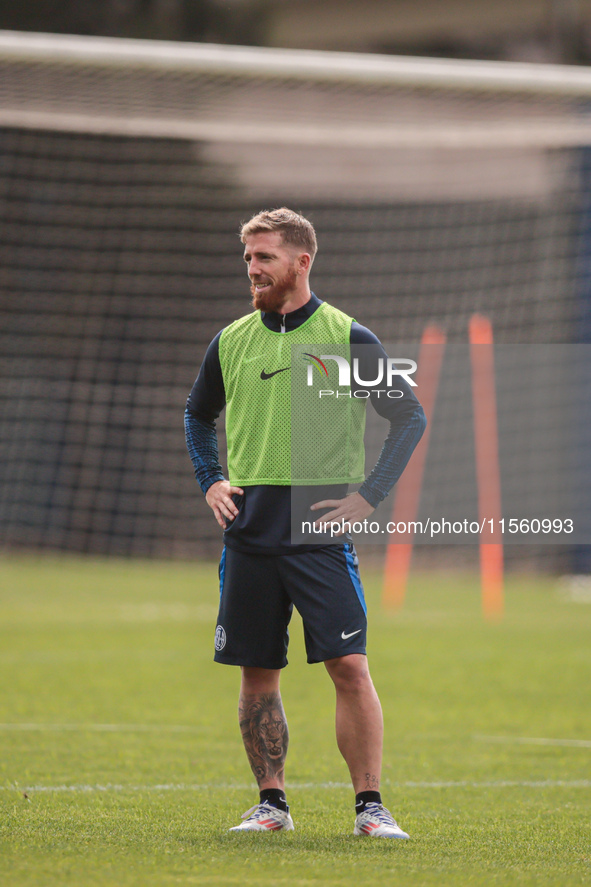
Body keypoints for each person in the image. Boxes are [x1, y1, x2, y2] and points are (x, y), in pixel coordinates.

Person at [185, 208, 426, 838]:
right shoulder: (231, 340)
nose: (253, 269)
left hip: (317, 521)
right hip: (249, 527)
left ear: (302, 261)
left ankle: (370, 808)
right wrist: (211, 478)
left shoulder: (347, 338)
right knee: (257, 670)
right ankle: (272, 805)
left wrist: (369, 495)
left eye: (264, 257)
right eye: (248, 258)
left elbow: (409, 418)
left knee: (349, 665)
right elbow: (196, 416)